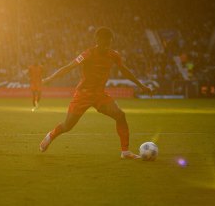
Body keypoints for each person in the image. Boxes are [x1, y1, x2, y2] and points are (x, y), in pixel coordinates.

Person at [39, 27, 152, 159]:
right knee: (68, 126)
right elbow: (68, 67)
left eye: (109, 44)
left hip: (100, 95)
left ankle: (125, 151)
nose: (106, 47)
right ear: (97, 40)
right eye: (104, 44)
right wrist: (49, 79)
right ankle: (50, 136)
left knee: (120, 116)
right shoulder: (88, 54)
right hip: (83, 95)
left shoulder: (114, 55)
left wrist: (141, 85)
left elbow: (125, 71)